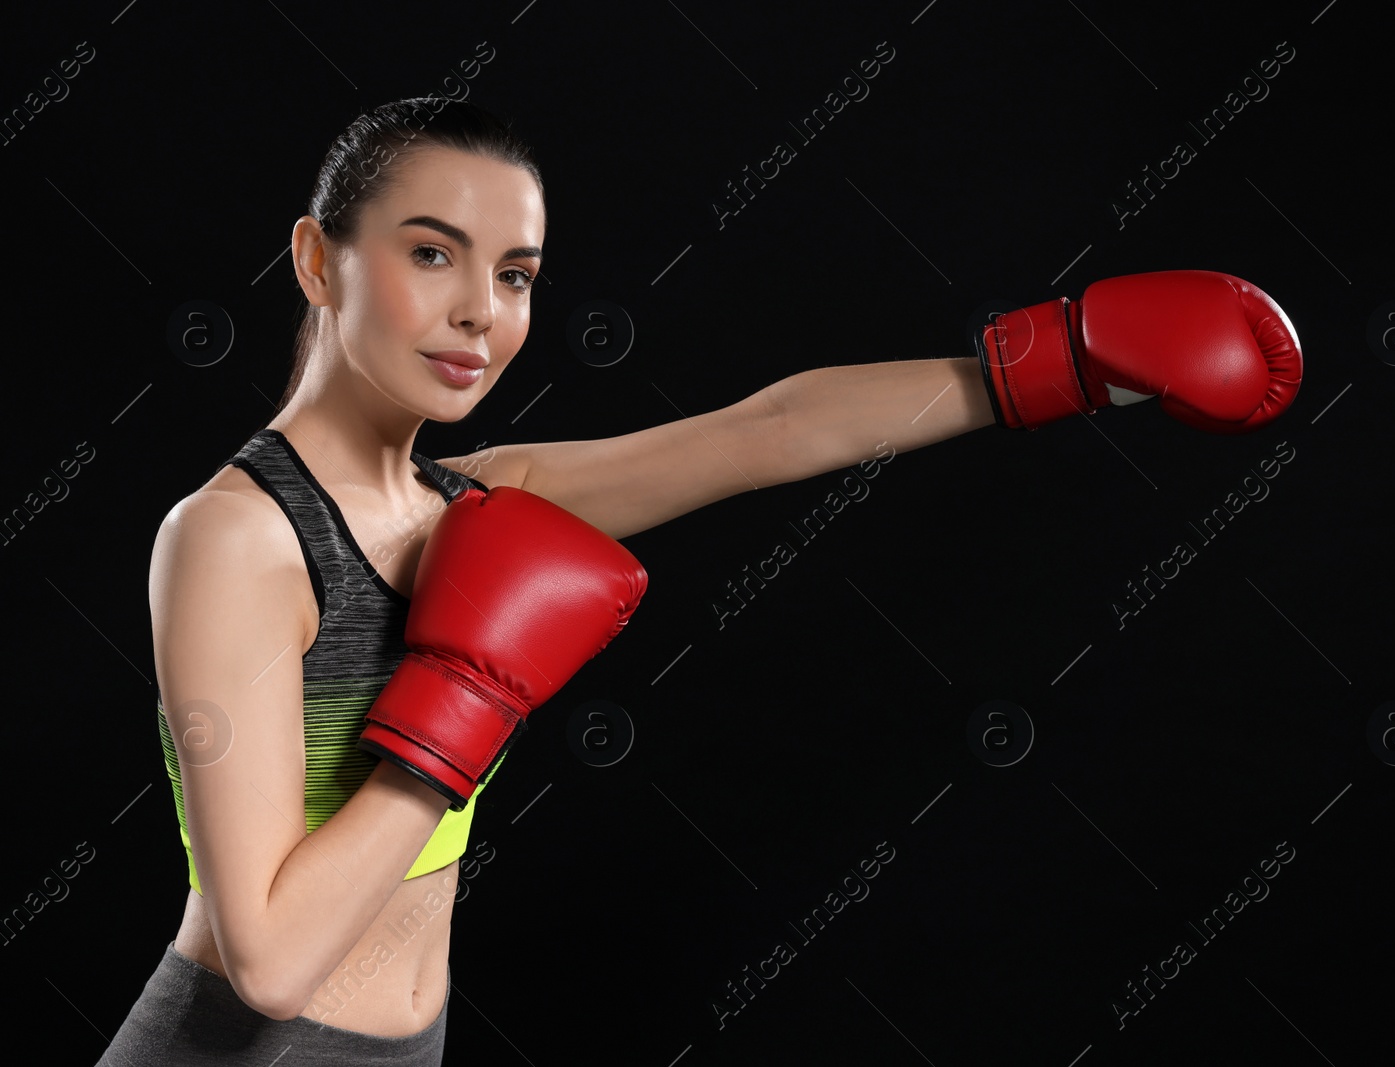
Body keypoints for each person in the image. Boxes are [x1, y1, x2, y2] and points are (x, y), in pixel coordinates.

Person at [98, 96, 1302, 1064]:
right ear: (318, 260)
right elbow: (267, 957)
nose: (478, 313)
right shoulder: (235, 538)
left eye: (515, 274)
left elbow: (761, 430)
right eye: (430, 254)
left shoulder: (474, 497)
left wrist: (1058, 366)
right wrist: (461, 705)